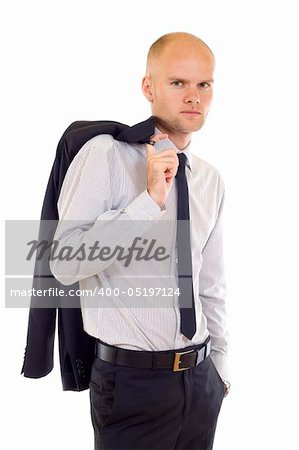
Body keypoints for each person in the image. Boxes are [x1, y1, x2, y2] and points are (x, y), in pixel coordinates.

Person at [50, 31, 230, 450]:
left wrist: (219, 371)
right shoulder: (105, 156)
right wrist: (148, 201)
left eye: (203, 84)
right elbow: (63, 262)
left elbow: (211, 286)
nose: (194, 96)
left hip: (201, 383)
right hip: (131, 386)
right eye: (178, 82)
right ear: (148, 87)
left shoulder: (209, 179)